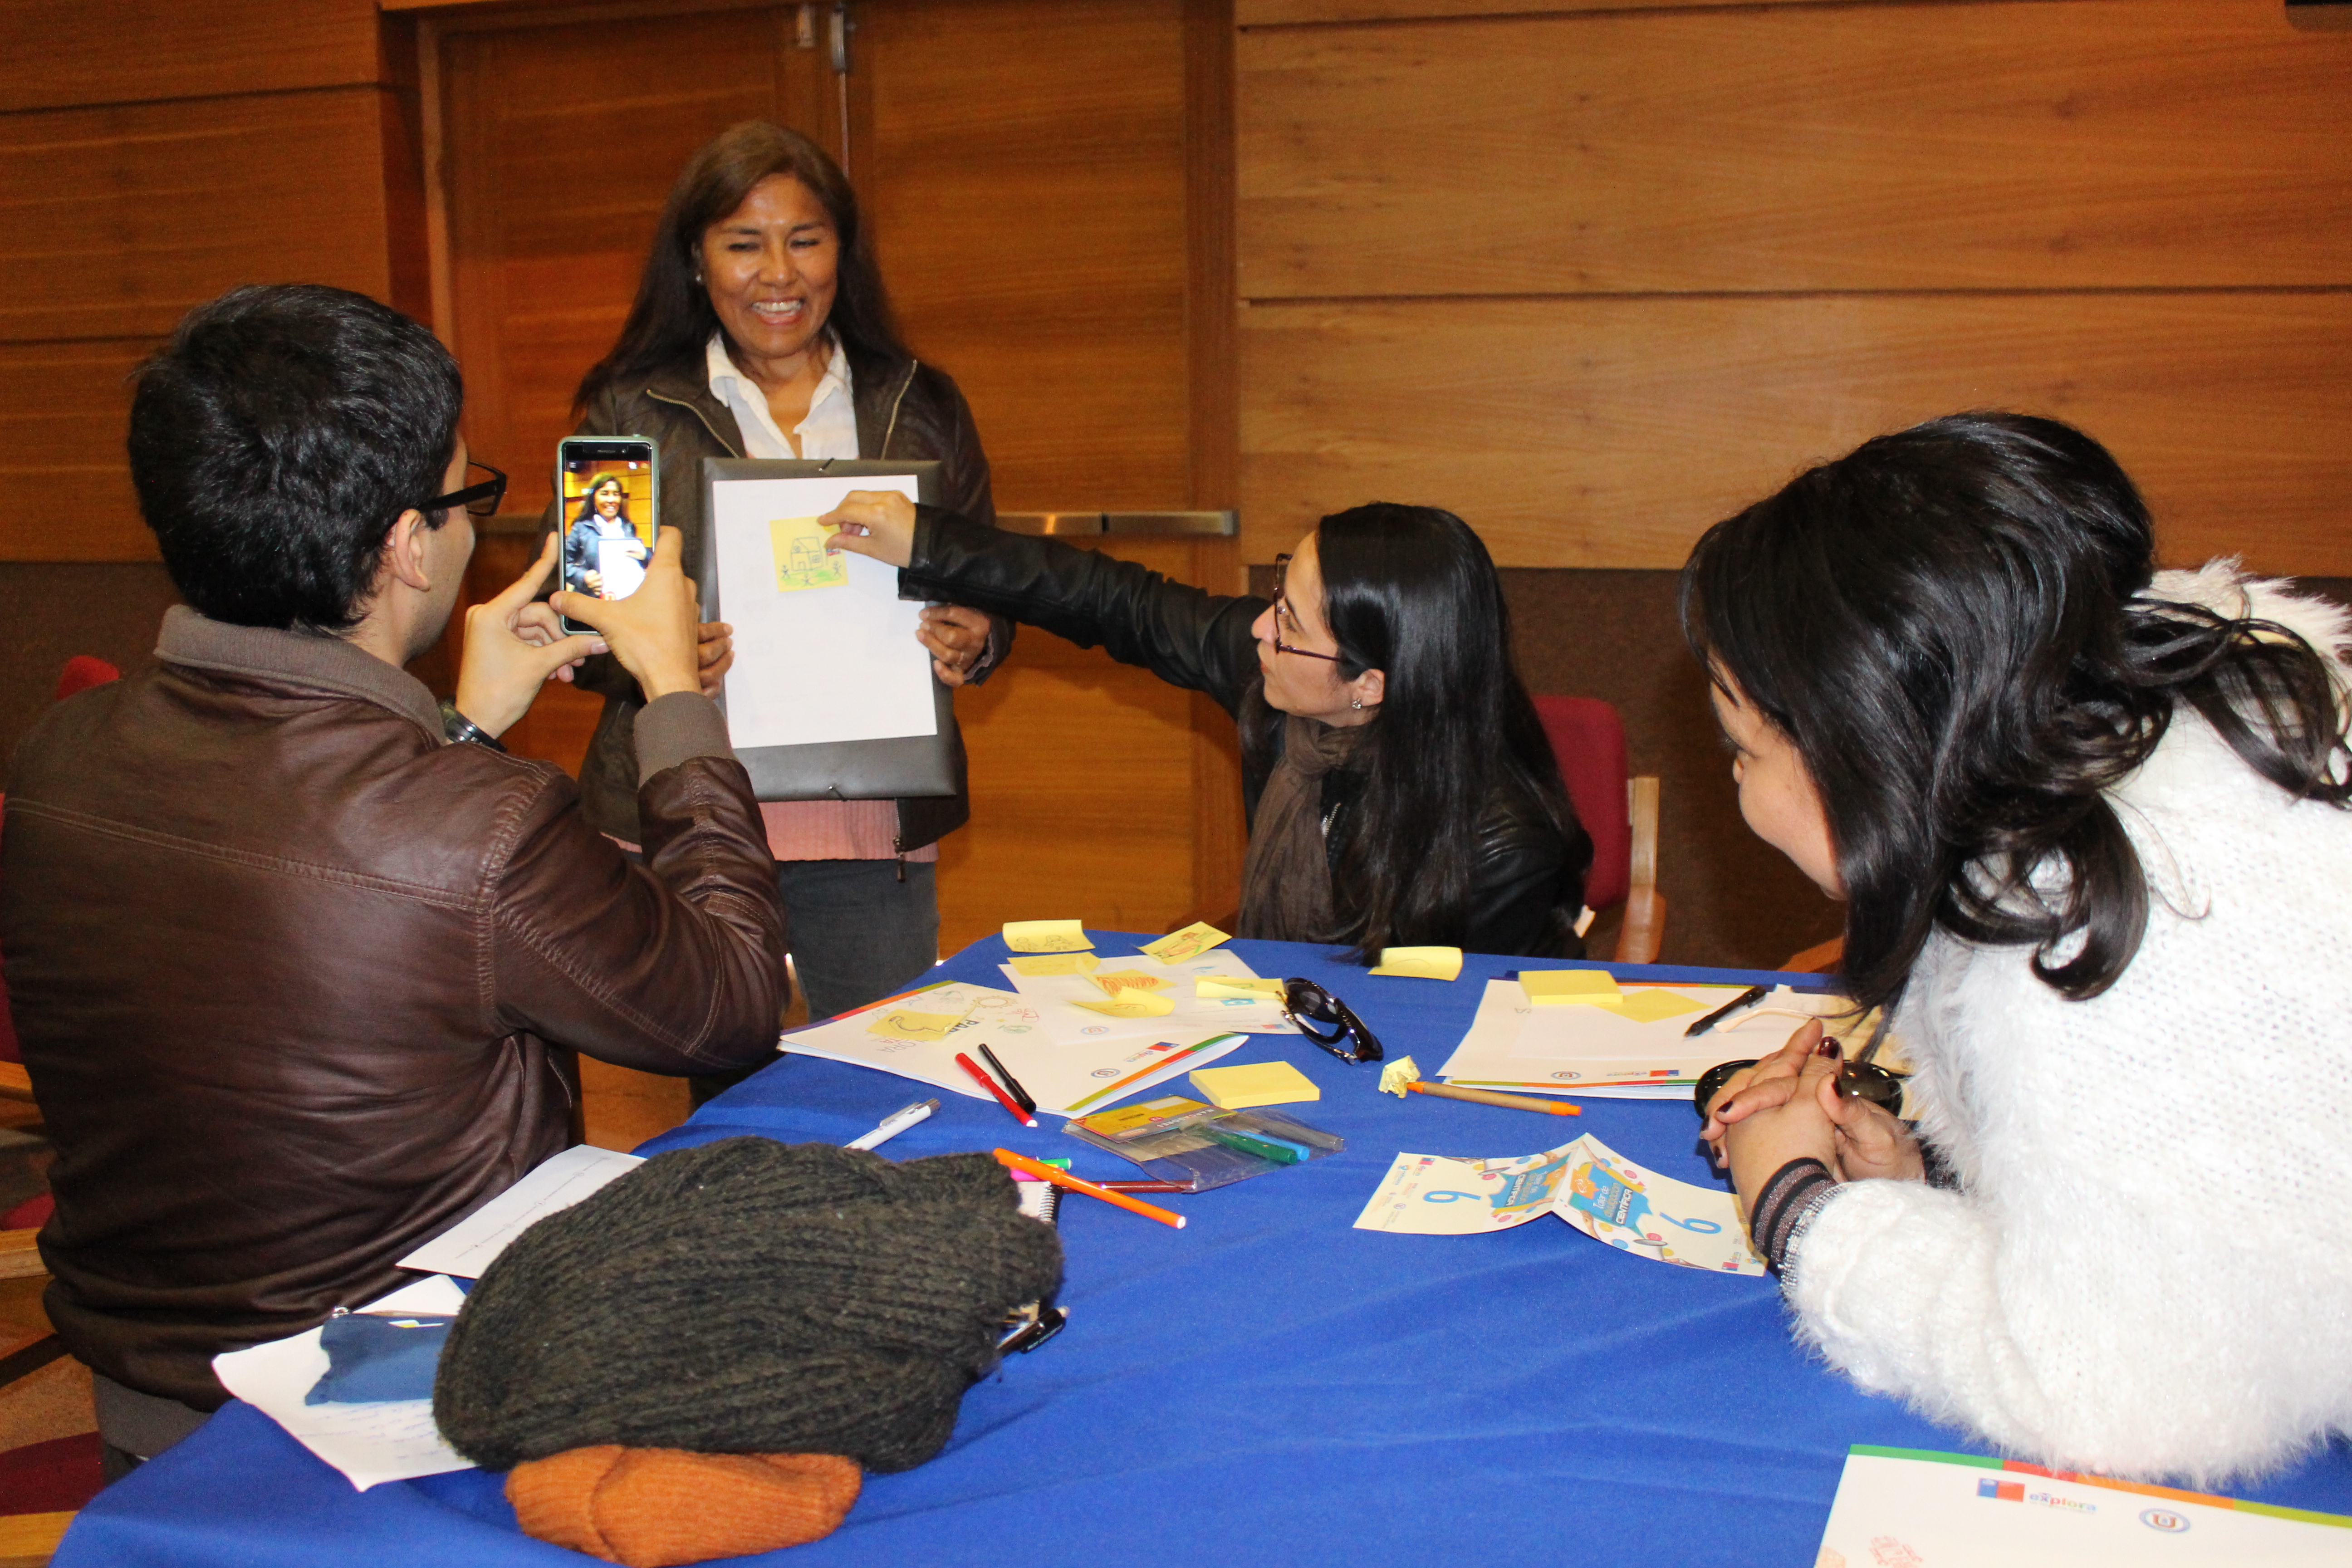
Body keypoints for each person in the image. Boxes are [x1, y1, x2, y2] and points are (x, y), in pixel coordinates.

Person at [0, 284, 789, 1473]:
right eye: (471, 494)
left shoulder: (58, 754)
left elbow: (316, 901)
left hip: (152, 1420)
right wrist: (677, 695)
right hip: (407, 1426)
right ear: (411, 545)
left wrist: (457, 727)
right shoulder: (476, 827)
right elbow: (728, 1001)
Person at [1685, 412, 2352, 1482]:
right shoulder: (2165, 791)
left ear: (1856, 750)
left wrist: (1801, 1207)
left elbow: (2108, 1394)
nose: (1733, 781)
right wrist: (1942, 1184)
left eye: (1741, 745)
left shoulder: (2093, 931)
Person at [553, 119, 1010, 1038]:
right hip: (694, 807)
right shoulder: (629, 406)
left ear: (843, 251)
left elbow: (995, 582)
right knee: (724, 1095)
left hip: (867, 810)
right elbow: (580, 613)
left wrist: (981, 633)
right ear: (696, 259)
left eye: (805, 240)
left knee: (885, 1066)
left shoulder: (922, 401)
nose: (779, 274)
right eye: (743, 244)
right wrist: (658, 660)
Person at [825, 493, 1592, 958]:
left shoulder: (1500, 844)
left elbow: (1417, 1029)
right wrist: (930, 542)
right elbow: (1110, 600)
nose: (1258, 629)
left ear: (1370, 684)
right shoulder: (1284, 690)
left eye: (1288, 622)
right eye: (1274, 593)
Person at [562, 474, 648, 597]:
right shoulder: (581, 529)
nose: (611, 500)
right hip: (594, 601)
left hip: (627, 601)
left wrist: (645, 555)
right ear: (593, 498)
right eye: (605, 493)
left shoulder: (628, 527)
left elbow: (648, 563)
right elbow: (563, 563)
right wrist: (584, 577)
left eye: (616, 494)